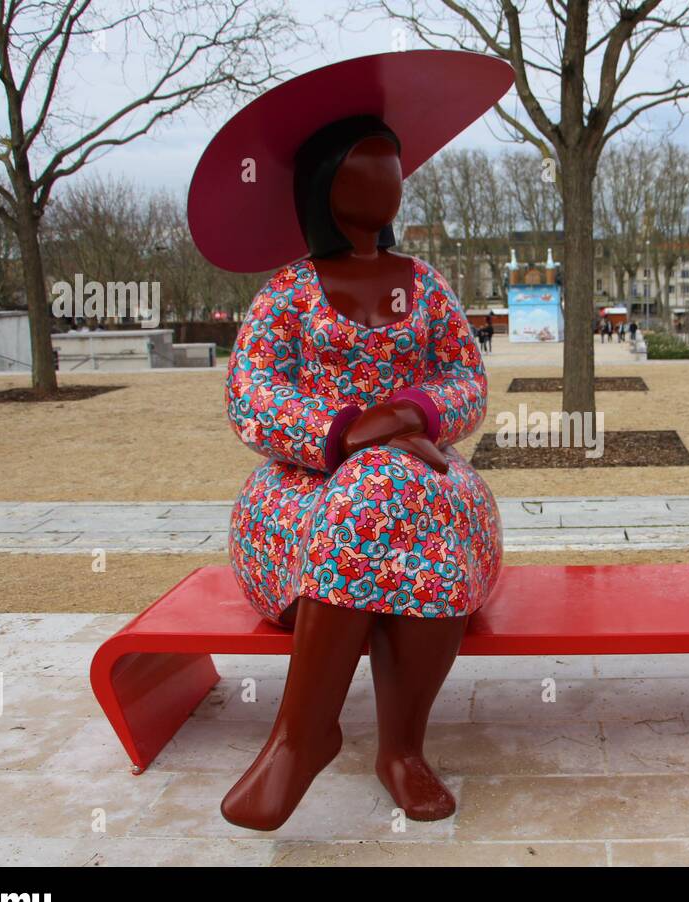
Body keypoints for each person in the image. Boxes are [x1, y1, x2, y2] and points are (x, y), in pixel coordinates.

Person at [187, 50, 511, 830]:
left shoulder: (423, 283)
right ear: (322, 188)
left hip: (428, 482)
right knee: (380, 488)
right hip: (303, 503)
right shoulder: (290, 293)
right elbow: (251, 394)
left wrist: (405, 419)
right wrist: (345, 435)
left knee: (401, 491)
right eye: (362, 170)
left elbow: (466, 377)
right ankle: (374, 746)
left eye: (390, 168)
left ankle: (318, 739)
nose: (385, 182)